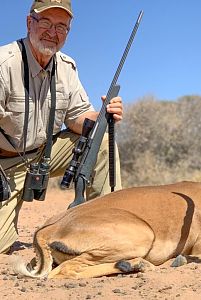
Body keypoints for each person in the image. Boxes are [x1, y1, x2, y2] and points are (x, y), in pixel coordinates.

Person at [0, 0, 123, 253]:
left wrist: (103, 117)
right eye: (45, 22)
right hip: (4, 165)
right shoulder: (4, 64)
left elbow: (79, 118)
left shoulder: (67, 67)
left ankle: (112, 228)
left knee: (98, 139)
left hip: (43, 155)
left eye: (61, 27)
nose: (52, 32)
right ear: (28, 22)